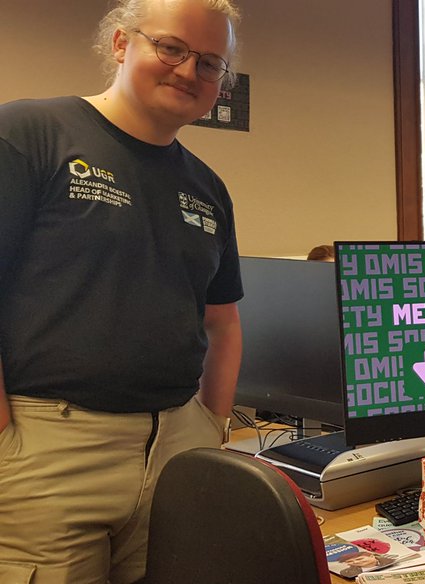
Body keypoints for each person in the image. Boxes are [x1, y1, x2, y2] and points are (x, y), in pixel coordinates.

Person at [0, 1, 243, 582]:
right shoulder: (30, 134)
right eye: (172, 49)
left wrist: (211, 426)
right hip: (51, 447)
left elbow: (222, 322)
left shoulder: (207, 188)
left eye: (210, 63)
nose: (188, 71)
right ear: (119, 43)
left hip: (178, 447)